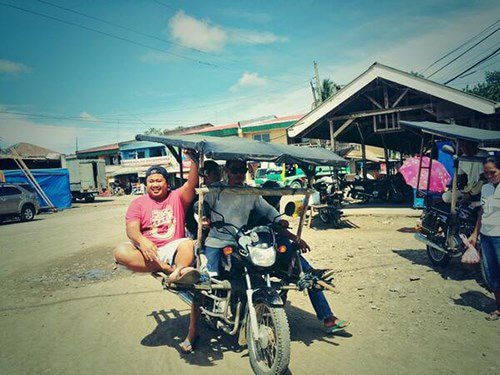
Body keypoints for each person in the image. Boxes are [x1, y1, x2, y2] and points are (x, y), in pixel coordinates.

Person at [113, 161, 200, 351]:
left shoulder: (177, 197)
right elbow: (131, 229)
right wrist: (142, 241)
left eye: (159, 180)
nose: (155, 184)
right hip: (149, 251)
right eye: (151, 181)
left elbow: (191, 184)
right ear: (146, 184)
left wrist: (194, 161)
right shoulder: (138, 203)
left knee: (188, 244)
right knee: (119, 252)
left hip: (173, 247)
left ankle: (178, 270)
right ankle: (171, 270)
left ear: (167, 183)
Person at [250, 180, 350, 334]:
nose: (275, 200)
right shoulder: (256, 208)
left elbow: (280, 226)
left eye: (277, 197)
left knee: (309, 277)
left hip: (279, 252)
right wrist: (296, 239)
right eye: (272, 196)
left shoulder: (274, 209)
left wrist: (293, 241)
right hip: (258, 252)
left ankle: (328, 317)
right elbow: (275, 228)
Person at [469, 156, 500, 321]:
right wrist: (475, 234)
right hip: (487, 237)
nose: (489, 176)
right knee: (493, 274)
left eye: (492, 173)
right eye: (486, 173)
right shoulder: (486, 188)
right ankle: (499, 308)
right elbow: (482, 212)